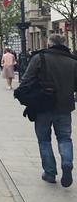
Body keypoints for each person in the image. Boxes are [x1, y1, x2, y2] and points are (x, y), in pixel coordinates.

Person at [20, 34, 77, 187]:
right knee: (65, 138)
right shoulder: (73, 61)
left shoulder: (40, 58)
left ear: (49, 43)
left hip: (43, 105)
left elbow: (25, 80)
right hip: (65, 106)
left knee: (44, 140)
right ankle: (66, 162)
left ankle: (50, 173)